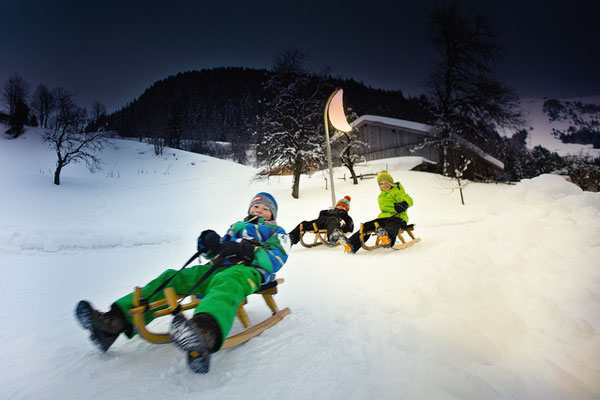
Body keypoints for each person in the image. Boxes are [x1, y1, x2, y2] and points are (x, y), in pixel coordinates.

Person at [75, 192, 289, 373]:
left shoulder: (276, 232)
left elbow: (277, 258)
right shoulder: (236, 227)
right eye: (256, 206)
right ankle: (115, 321)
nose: (259, 211)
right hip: (216, 267)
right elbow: (215, 250)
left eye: (265, 209)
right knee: (172, 277)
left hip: (248, 271)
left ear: (273, 214)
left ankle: (206, 332)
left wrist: (247, 250)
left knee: (227, 282)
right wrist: (208, 242)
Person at [344, 171, 413, 253]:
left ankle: (387, 239)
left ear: (390, 183)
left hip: (398, 217)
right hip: (384, 218)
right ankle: (352, 244)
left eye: (386, 183)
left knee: (392, 224)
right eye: (381, 184)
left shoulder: (397, 192)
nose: (384, 185)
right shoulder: (381, 195)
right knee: (367, 225)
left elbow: (409, 199)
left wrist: (404, 204)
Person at [287, 195, 354, 247]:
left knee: (332, 219)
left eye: (343, 206)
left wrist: (344, 225)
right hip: (320, 223)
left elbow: (350, 226)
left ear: (347, 209)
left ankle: (333, 237)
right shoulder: (330, 211)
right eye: (339, 205)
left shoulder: (345, 216)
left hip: (333, 224)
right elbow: (320, 216)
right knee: (304, 223)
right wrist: (325, 212)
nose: (340, 207)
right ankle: (291, 237)